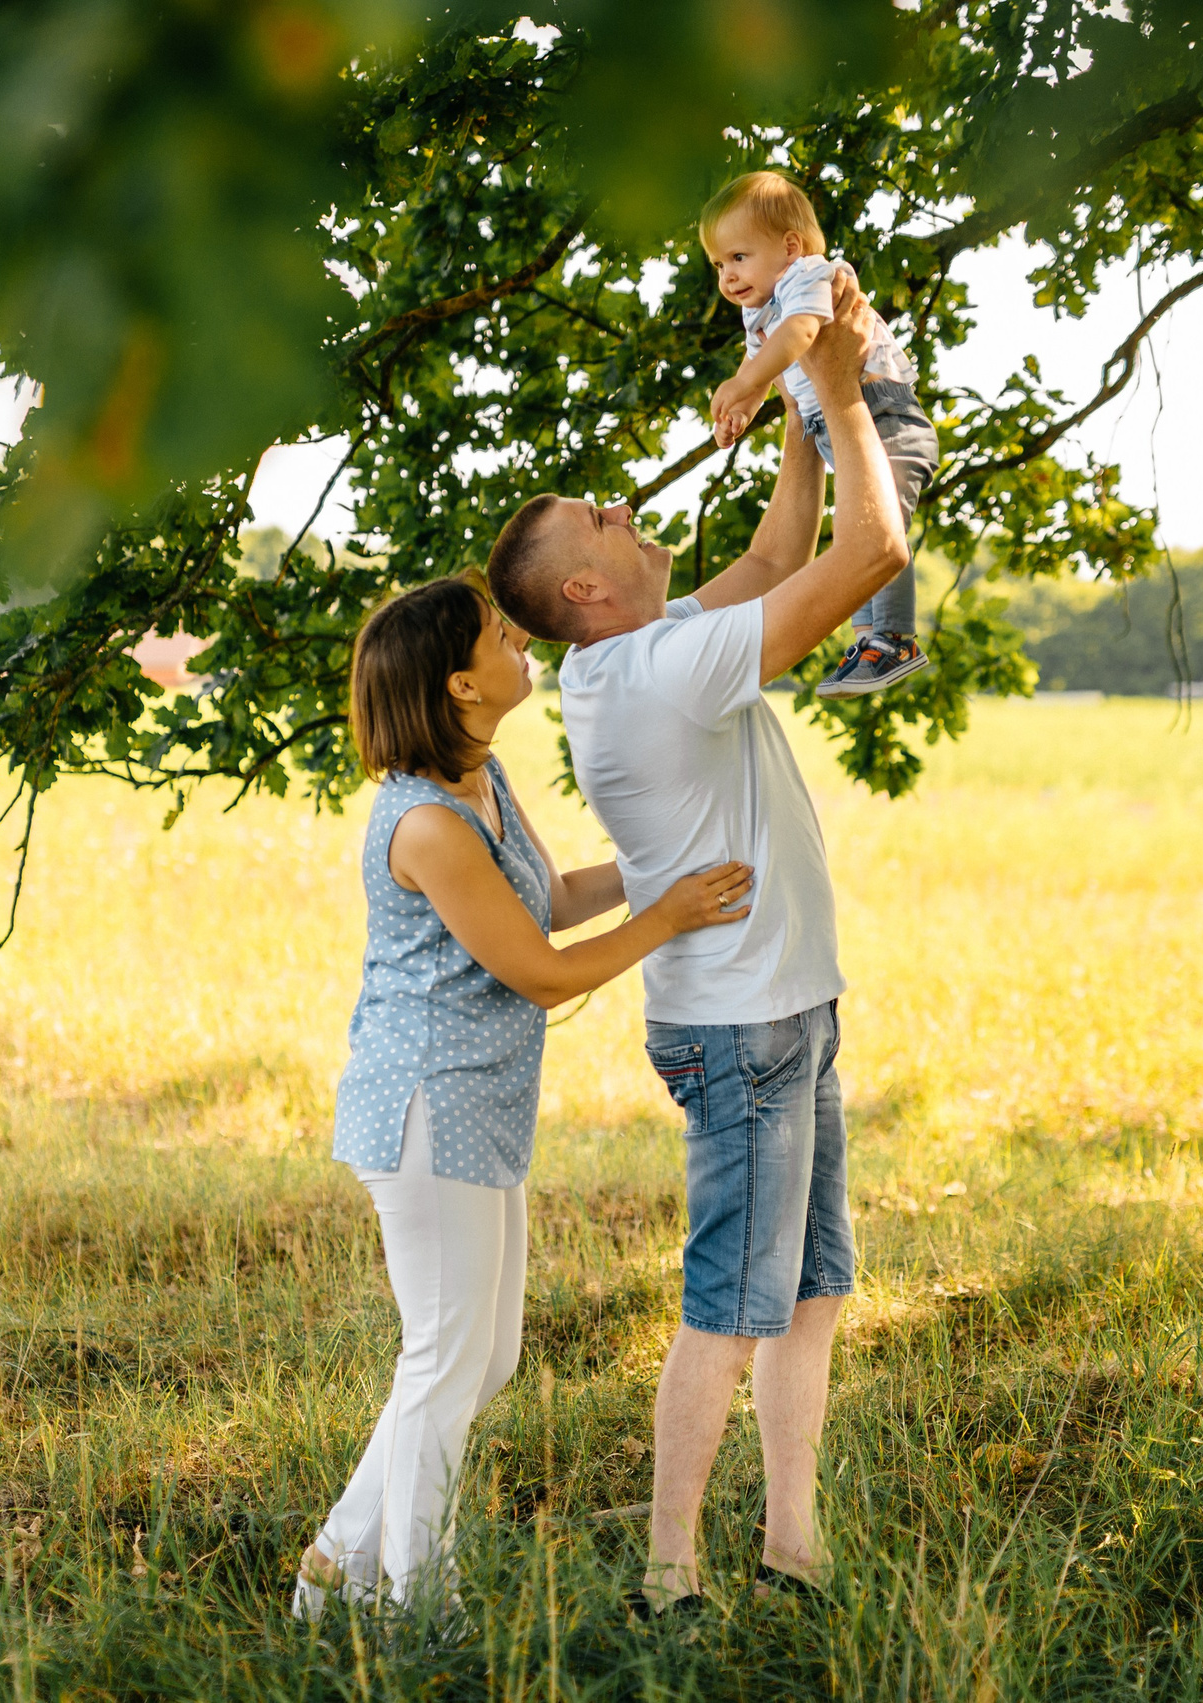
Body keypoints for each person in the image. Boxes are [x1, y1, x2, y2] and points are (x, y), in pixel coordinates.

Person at [482, 271, 908, 1617]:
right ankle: (670, 1572)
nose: (623, 501)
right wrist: (844, 401)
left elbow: (782, 557)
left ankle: (795, 1540)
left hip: (791, 1008)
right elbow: (868, 556)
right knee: (731, 1304)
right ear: (591, 585)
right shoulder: (657, 669)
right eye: (598, 516)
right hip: (741, 1031)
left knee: (813, 1287)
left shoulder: (648, 643)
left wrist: (791, 406)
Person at [294, 575, 754, 1617]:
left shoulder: (481, 779)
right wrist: (670, 916)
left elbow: (543, 897)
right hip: (423, 1107)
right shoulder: (424, 825)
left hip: (476, 1106)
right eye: (502, 635)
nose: (519, 639)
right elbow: (539, 969)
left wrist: (660, 871)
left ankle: (334, 1565)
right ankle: (418, 1604)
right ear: (461, 684)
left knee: (478, 1355)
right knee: (448, 1357)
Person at [701, 169, 937, 699]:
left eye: (738, 257)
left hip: (886, 419)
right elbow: (770, 364)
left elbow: (802, 334)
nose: (727, 276)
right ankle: (865, 642)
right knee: (851, 528)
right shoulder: (760, 310)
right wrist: (746, 404)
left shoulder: (808, 275)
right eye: (718, 264)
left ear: (789, 246)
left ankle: (896, 638)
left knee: (879, 527)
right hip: (836, 426)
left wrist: (743, 380)